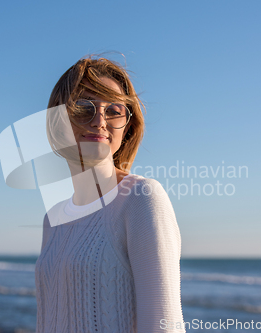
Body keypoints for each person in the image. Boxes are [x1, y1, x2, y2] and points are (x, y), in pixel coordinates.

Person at [34, 55, 185, 333]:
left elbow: (165, 327)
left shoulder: (140, 198)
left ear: (126, 126)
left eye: (114, 110)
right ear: (57, 122)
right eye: (83, 107)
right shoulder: (52, 218)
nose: (100, 121)